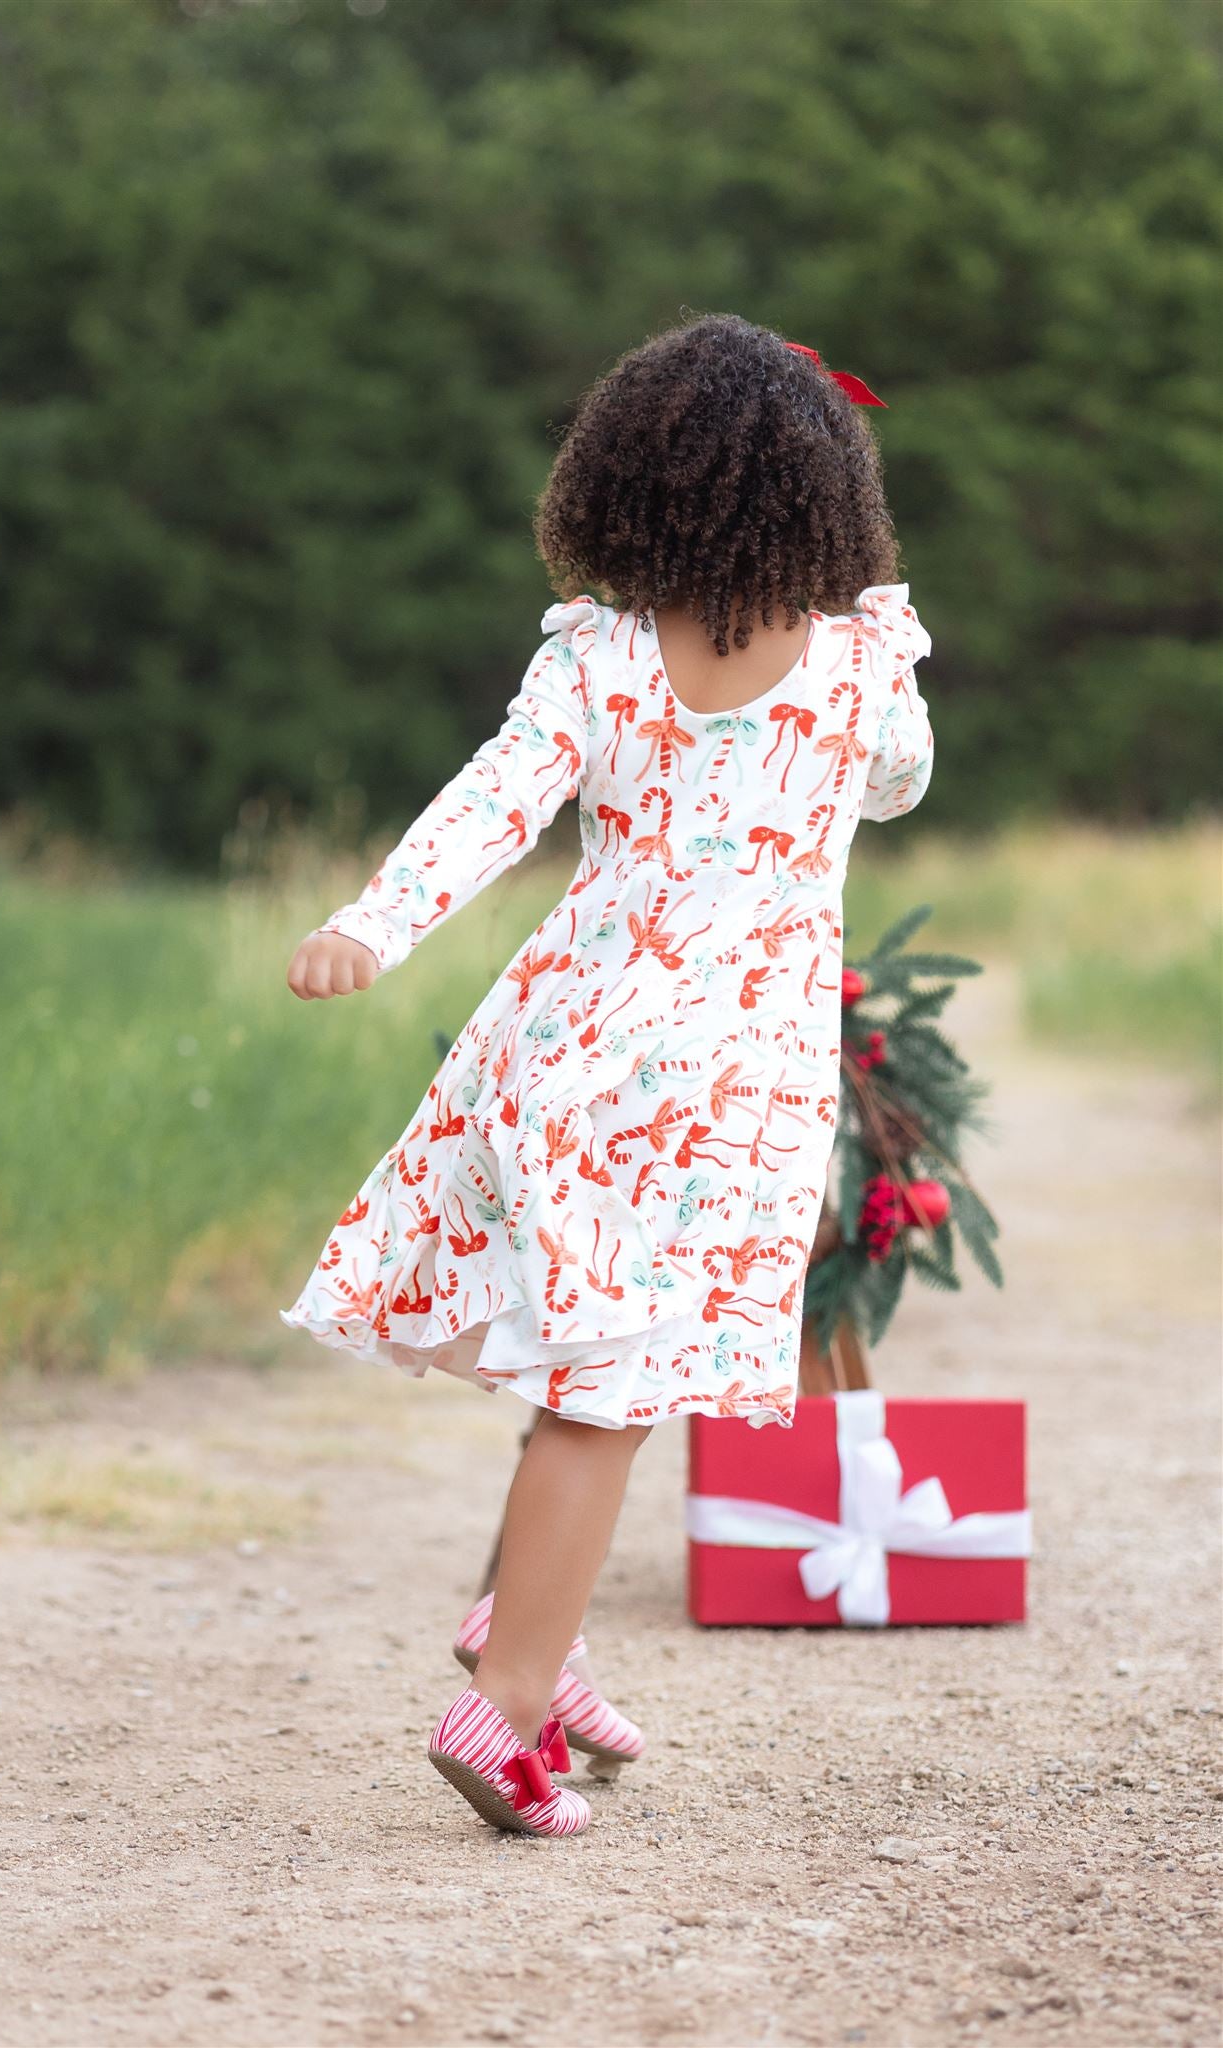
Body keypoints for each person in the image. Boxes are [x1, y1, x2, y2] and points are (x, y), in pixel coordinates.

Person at [282, 314, 934, 1838]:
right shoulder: (860, 662)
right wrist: (866, 640)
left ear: (625, 482)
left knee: (592, 1361)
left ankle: (537, 1635)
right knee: (607, 1392)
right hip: (725, 1086)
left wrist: (370, 926)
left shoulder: (600, 657)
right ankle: (501, 1701)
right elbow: (898, 786)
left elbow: (490, 805)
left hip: (571, 1051)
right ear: (828, 495)